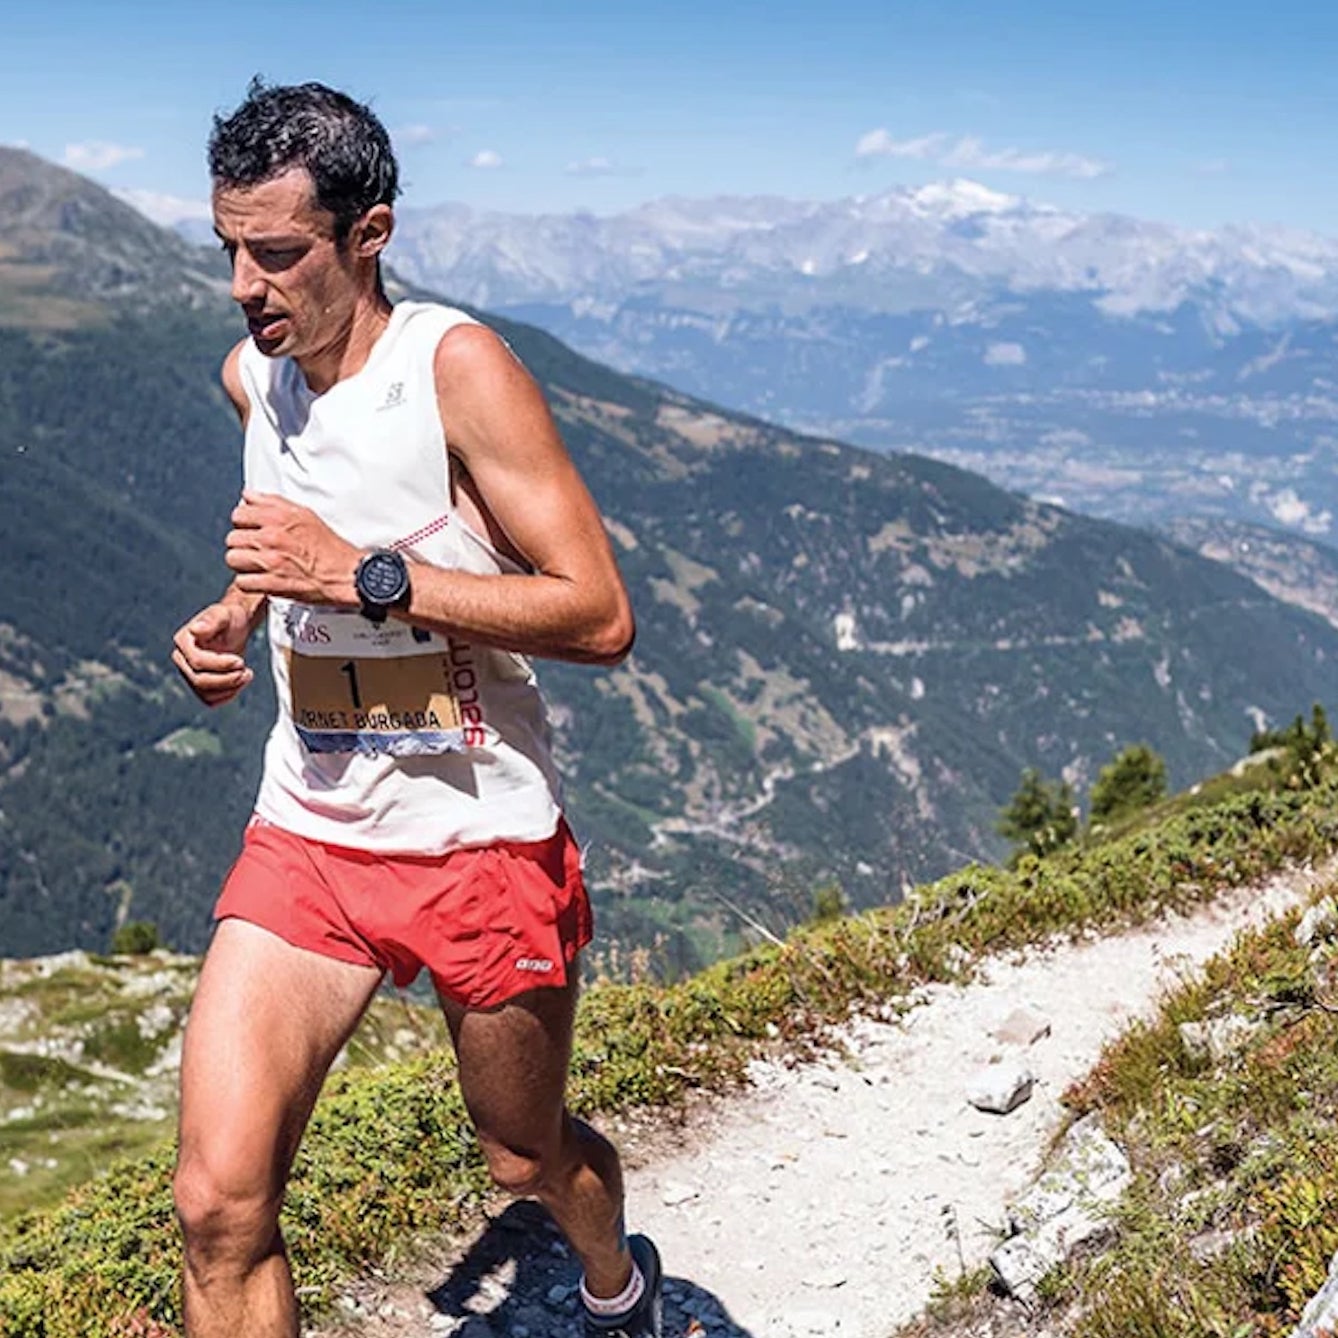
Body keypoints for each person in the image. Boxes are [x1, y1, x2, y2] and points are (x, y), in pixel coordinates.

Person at [169, 80, 659, 1338]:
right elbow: (285, 536)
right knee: (219, 1207)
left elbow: (598, 613)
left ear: (368, 235)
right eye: (228, 247)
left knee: (522, 1157)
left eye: (278, 253)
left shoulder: (455, 369)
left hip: (477, 841)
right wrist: (234, 619)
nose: (243, 283)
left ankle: (619, 1281)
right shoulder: (253, 378)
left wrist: (365, 578)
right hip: (311, 832)